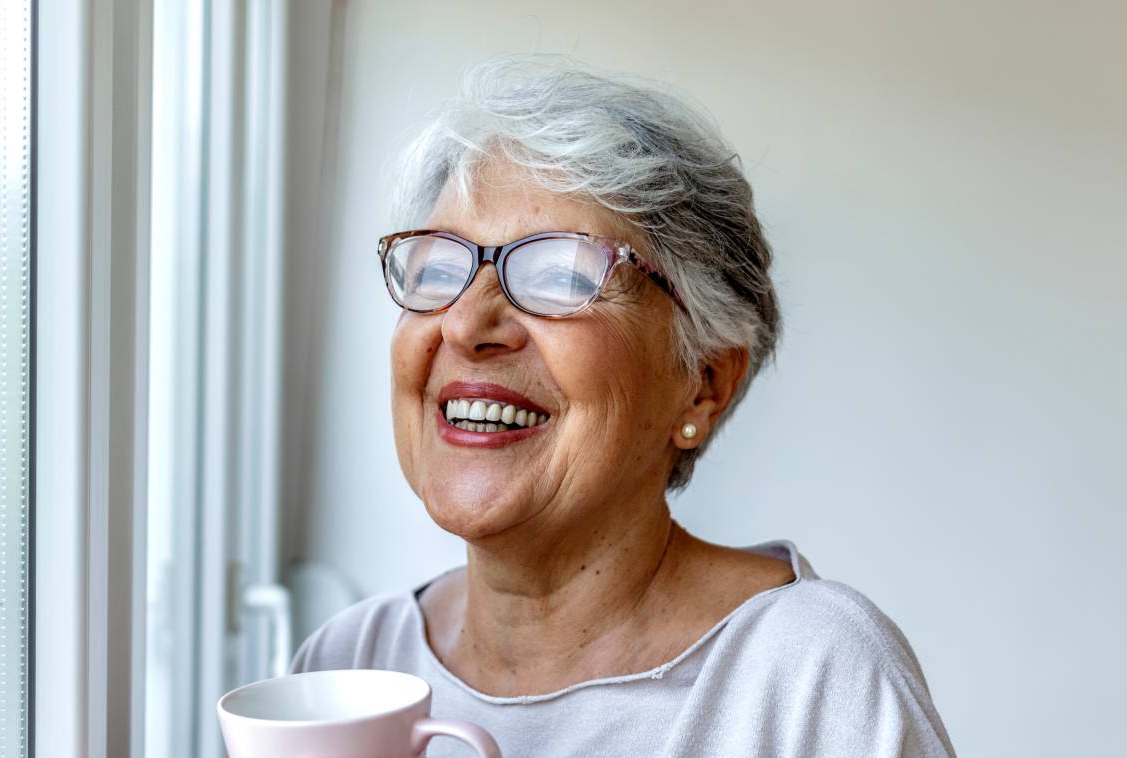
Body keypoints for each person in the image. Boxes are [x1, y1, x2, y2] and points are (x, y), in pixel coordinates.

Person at [292, 57, 955, 757]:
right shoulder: (347, 663)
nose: (465, 325)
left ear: (703, 383)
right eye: (438, 269)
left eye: (558, 275)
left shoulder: (812, 679)